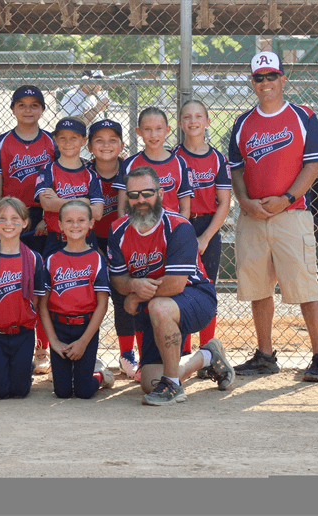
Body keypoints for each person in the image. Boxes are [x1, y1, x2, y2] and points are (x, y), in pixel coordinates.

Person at [227, 51, 318, 382]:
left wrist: (287, 198)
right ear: (253, 83)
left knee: (305, 287)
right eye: (259, 78)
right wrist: (245, 202)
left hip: (292, 214)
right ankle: (265, 355)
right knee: (258, 287)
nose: (265, 83)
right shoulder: (243, 122)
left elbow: (312, 165)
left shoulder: (303, 116)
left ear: (283, 80)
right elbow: (237, 169)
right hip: (253, 216)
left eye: (271, 76)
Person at [107, 166, 234, 406]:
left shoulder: (178, 226)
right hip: (154, 302)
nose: (140, 200)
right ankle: (206, 356)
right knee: (149, 383)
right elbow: (118, 279)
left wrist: (137, 296)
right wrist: (133, 285)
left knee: (160, 306)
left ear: (161, 193)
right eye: (133, 195)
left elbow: (176, 284)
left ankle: (174, 387)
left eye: (147, 193)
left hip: (195, 296)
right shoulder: (118, 230)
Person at [0, 85, 57, 374]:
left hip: (45, 216)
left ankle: (43, 348)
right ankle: (8, 345)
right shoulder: (1, 142)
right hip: (12, 217)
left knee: (41, 286)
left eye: (34, 104)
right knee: (15, 285)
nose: (28, 109)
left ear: (42, 109)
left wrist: (47, 219)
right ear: (13, 108)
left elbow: (59, 180)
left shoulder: (52, 142)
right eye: (22, 104)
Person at [172, 100, 231, 363]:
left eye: (199, 116)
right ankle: (183, 352)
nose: (193, 121)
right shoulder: (174, 156)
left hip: (208, 227)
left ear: (208, 121)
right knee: (179, 287)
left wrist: (205, 237)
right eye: (187, 117)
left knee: (207, 288)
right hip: (179, 227)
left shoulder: (218, 158)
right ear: (180, 123)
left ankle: (209, 351)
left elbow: (225, 202)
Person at [0, 197, 46, 399]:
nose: (9, 223)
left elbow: (37, 301)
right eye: (2, 218)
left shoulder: (34, 258)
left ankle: (21, 368)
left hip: (23, 333)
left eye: (15, 218)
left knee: (20, 391)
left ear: (25, 222)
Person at [39, 200, 114, 399]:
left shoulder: (97, 259)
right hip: (60, 328)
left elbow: (102, 305)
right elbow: (43, 305)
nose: (75, 225)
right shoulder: (52, 259)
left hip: (85, 328)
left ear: (91, 223)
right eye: (69, 221)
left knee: (83, 392)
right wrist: (53, 341)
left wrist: (84, 341)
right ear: (60, 225)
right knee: (62, 392)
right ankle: (74, 373)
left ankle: (99, 376)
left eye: (81, 220)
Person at [86, 119, 141, 382]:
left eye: (112, 140)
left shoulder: (130, 170)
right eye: (99, 140)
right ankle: (88, 353)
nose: (106, 145)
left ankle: (127, 353)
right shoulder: (84, 171)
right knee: (87, 298)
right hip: (89, 241)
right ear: (89, 146)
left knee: (124, 295)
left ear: (121, 144)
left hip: (123, 242)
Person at [34, 118, 103, 257]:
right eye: (62, 138)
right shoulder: (47, 170)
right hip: (57, 240)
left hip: (86, 240)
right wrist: (83, 202)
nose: (68, 142)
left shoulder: (91, 175)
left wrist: (59, 201)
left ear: (83, 141)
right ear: (56, 140)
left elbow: (97, 213)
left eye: (74, 138)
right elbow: (47, 204)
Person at [115, 107, 193, 219]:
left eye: (159, 128)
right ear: (138, 131)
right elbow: (122, 208)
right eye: (147, 129)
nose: (153, 135)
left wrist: (176, 233)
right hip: (137, 229)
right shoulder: (129, 164)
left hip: (170, 231)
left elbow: (185, 209)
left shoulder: (180, 164)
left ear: (167, 130)